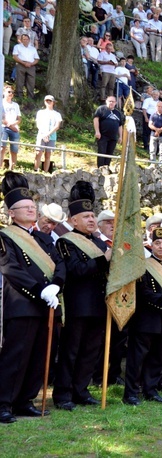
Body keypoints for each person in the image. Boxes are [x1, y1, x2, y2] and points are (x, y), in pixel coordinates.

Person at [0, 171, 65, 424]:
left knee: (40, 356)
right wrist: (40, 290)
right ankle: (4, 402)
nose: (30, 210)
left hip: (48, 305)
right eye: (24, 207)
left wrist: (56, 286)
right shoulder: (5, 237)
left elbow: (60, 264)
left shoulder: (43, 237)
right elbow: (10, 269)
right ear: (11, 213)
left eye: (32, 206)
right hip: (22, 304)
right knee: (16, 356)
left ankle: (25, 400)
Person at [54, 181, 111, 411]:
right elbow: (76, 270)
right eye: (86, 216)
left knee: (90, 352)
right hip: (77, 305)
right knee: (71, 351)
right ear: (74, 220)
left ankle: (81, 390)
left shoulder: (99, 243)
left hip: (99, 305)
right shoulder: (65, 242)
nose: (91, 220)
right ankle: (63, 394)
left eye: (92, 215)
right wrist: (103, 260)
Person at [122, 227, 162, 406]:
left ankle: (150, 390)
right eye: (157, 243)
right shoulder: (143, 266)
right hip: (146, 319)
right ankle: (131, 393)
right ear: (151, 245)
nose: (161, 247)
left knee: (157, 357)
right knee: (137, 358)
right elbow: (142, 292)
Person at [93, 96, 124, 168]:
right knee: (102, 152)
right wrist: (97, 131)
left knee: (109, 153)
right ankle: (100, 168)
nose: (111, 103)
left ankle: (106, 167)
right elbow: (96, 119)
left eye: (113, 101)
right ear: (106, 101)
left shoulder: (118, 113)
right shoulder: (101, 109)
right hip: (102, 135)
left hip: (113, 137)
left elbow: (120, 125)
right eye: (110, 101)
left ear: (115, 103)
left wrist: (120, 137)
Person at [33, 95, 62, 173]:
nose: (48, 102)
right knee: (38, 153)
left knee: (48, 154)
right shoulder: (40, 112)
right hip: (41, 135)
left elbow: (57, 126)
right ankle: (35, 170)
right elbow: (38, 124)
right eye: (46, 100)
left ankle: (45, 172)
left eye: (50, 101)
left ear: (53, 102)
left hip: (52, 136)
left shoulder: (57, 114)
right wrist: (44, 134)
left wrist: (48, 134)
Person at [12, 33, 39, 99]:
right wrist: (23, 63)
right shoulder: (17, 46)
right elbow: (15, 56)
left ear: (29, 40)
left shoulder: (33, 49)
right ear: (21, 40)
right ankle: (19, 97)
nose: (25, 40)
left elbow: (37, 59)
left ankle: (30, 98)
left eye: (27, 39)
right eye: (24, 39)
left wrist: (31, 64)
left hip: (31, 66)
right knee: (19, 81)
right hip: (21, 64)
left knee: (31, 82)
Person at [1, 86, 22, 170]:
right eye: (9, 92)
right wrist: (11, 126)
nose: (11, 94)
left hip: (14, 128)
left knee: (14, 150)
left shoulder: (16, 105)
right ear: (4, 93)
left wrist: (14, 125)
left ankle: (12, 169)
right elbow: (2, 119)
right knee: (2, 148)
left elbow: (19, 119)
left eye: (12, 92)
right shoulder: (1, 103)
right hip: (4, 128)